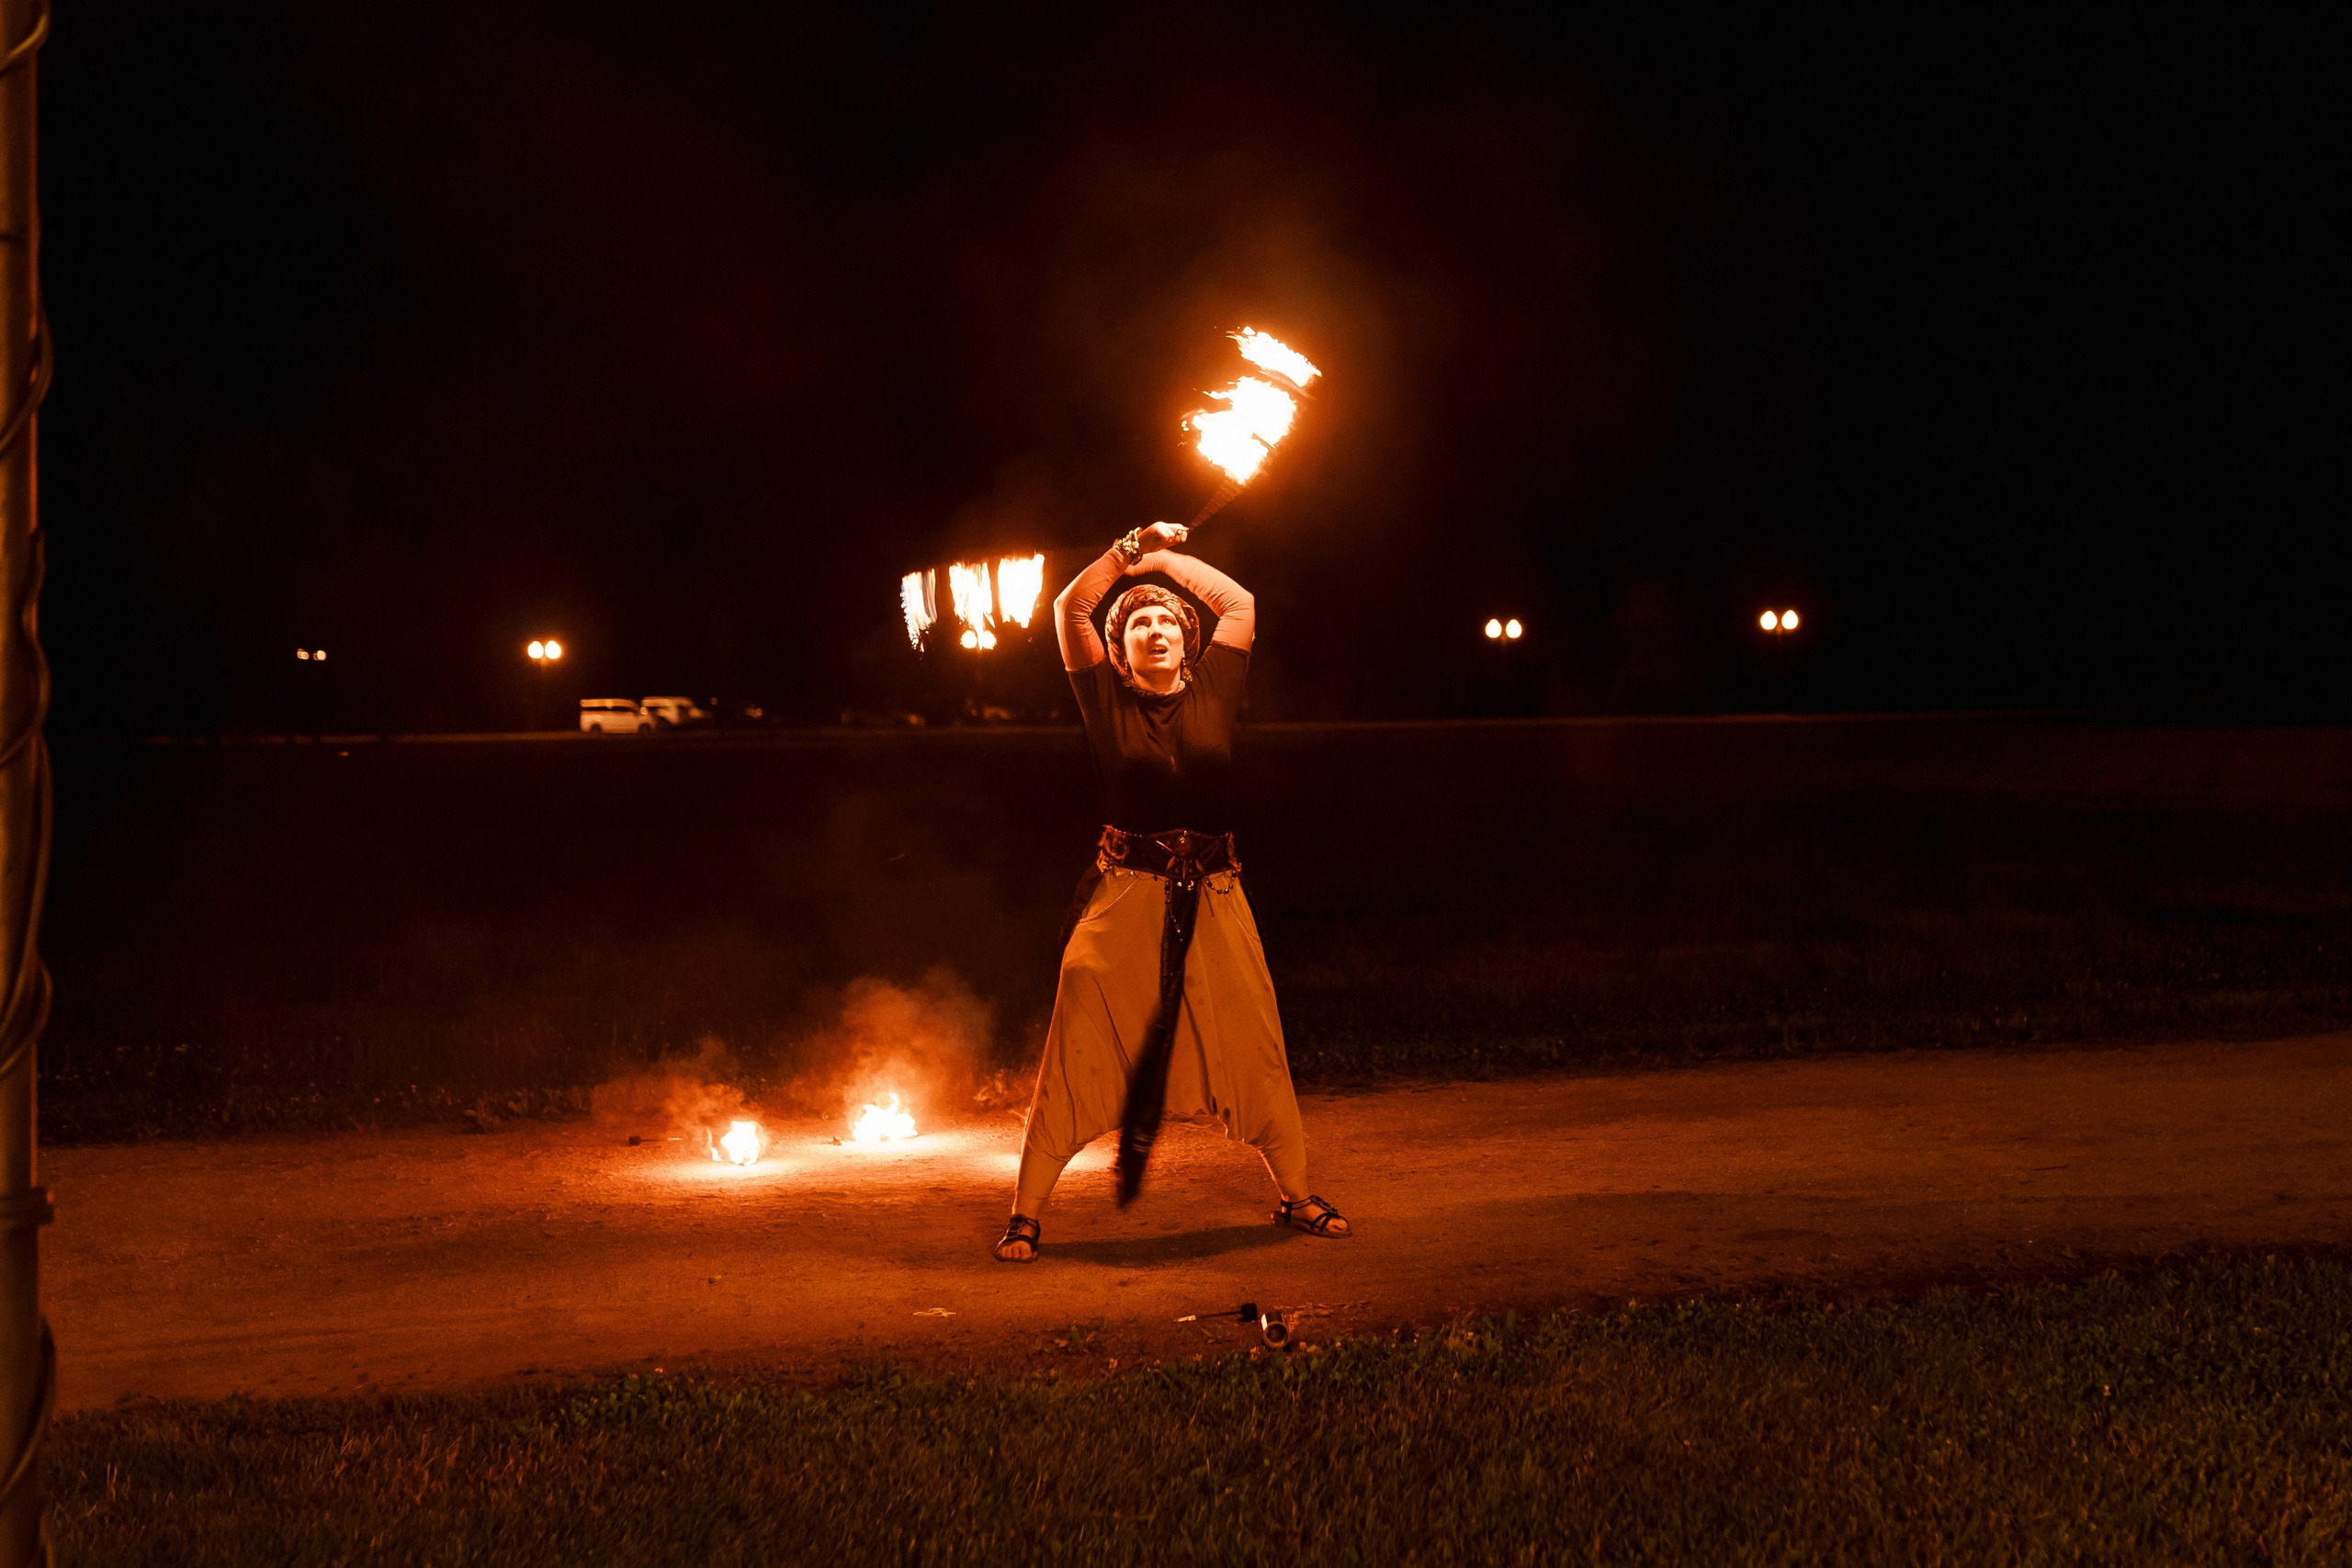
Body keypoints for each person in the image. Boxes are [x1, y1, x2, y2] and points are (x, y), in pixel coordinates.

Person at [993, 521, 1348, 1261]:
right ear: (1117, 650)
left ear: (1190, 639)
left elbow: (1239, 600)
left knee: (1253, 1037)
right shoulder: (1105, 699)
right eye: (1138, 623)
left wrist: (1158, 560)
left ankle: (1296, 1192)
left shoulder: (1219, 684)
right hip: (1125, 898)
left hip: (1217, 897)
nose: (1154, 629)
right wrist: (1124, 555)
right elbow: (1071, 607)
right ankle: (1027, 1210)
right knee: (1080, 1035)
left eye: (1167, 620)